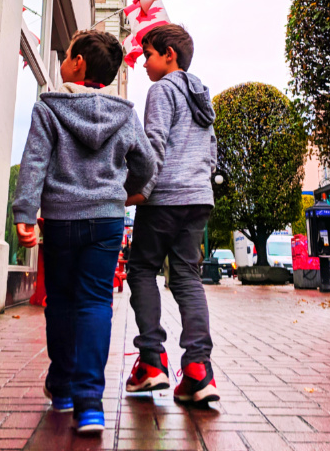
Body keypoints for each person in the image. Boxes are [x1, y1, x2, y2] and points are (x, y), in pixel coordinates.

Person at [13, 30, 155, 434]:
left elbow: (34, 162)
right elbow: (145, 166)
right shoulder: (124, 113)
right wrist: (127, 195)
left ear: (77, 64)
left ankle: (61, 387)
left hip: (59, 220)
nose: (63, 58)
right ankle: (90, 404)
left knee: (59, 302)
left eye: (67, 53)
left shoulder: (49, 109)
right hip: (106, 222)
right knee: (95, 302)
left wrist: (25, 210)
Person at [125, 24, 220, 405]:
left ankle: (152, 362)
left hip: (165, 198)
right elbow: (211, 152)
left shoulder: (162, 90)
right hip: (198, 199)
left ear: (169, 55)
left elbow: (154, 146)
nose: (144, 63)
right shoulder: (201, 98)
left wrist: (140, 191)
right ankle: (198, 370)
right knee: (186, 277)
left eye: (148, 54)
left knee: (142, 269)